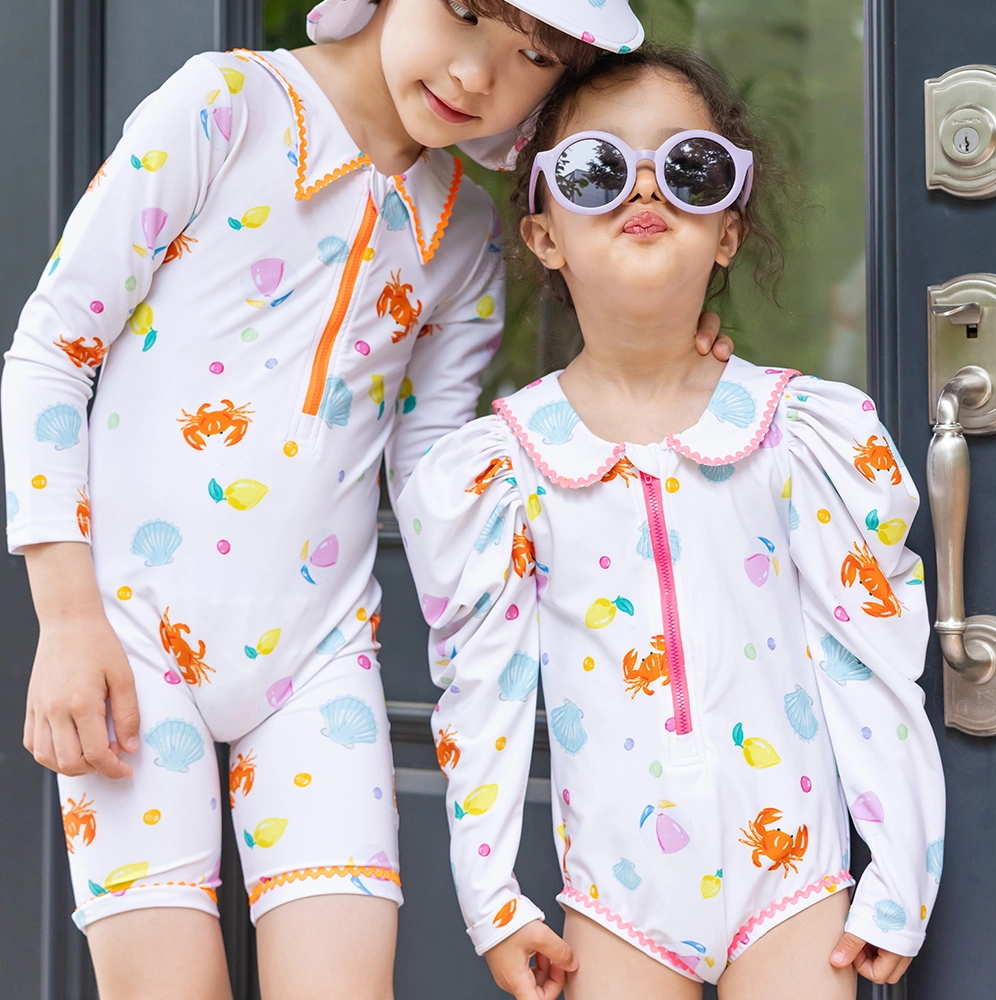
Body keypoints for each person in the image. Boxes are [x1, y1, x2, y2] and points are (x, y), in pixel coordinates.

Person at [2, 1, 732, 996]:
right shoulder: (223, 110)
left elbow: (436, 468)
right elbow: (52, 349)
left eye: (531, 55)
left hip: (318, 662)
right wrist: (66, 615)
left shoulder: (466, 231)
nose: (475, 73)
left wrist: (649, 379)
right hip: (129, 641)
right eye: (462, 10)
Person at [396, 46, 946, 1000]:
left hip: (796, 886)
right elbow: (480, 692)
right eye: (597, 169)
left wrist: (902, 867)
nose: (645, 186)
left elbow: (868, 654)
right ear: (544, 235)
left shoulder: (795, 434)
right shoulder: (509, 469)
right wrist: (492, 898)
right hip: (616, 903)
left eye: (690, 168)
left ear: (728, 232)